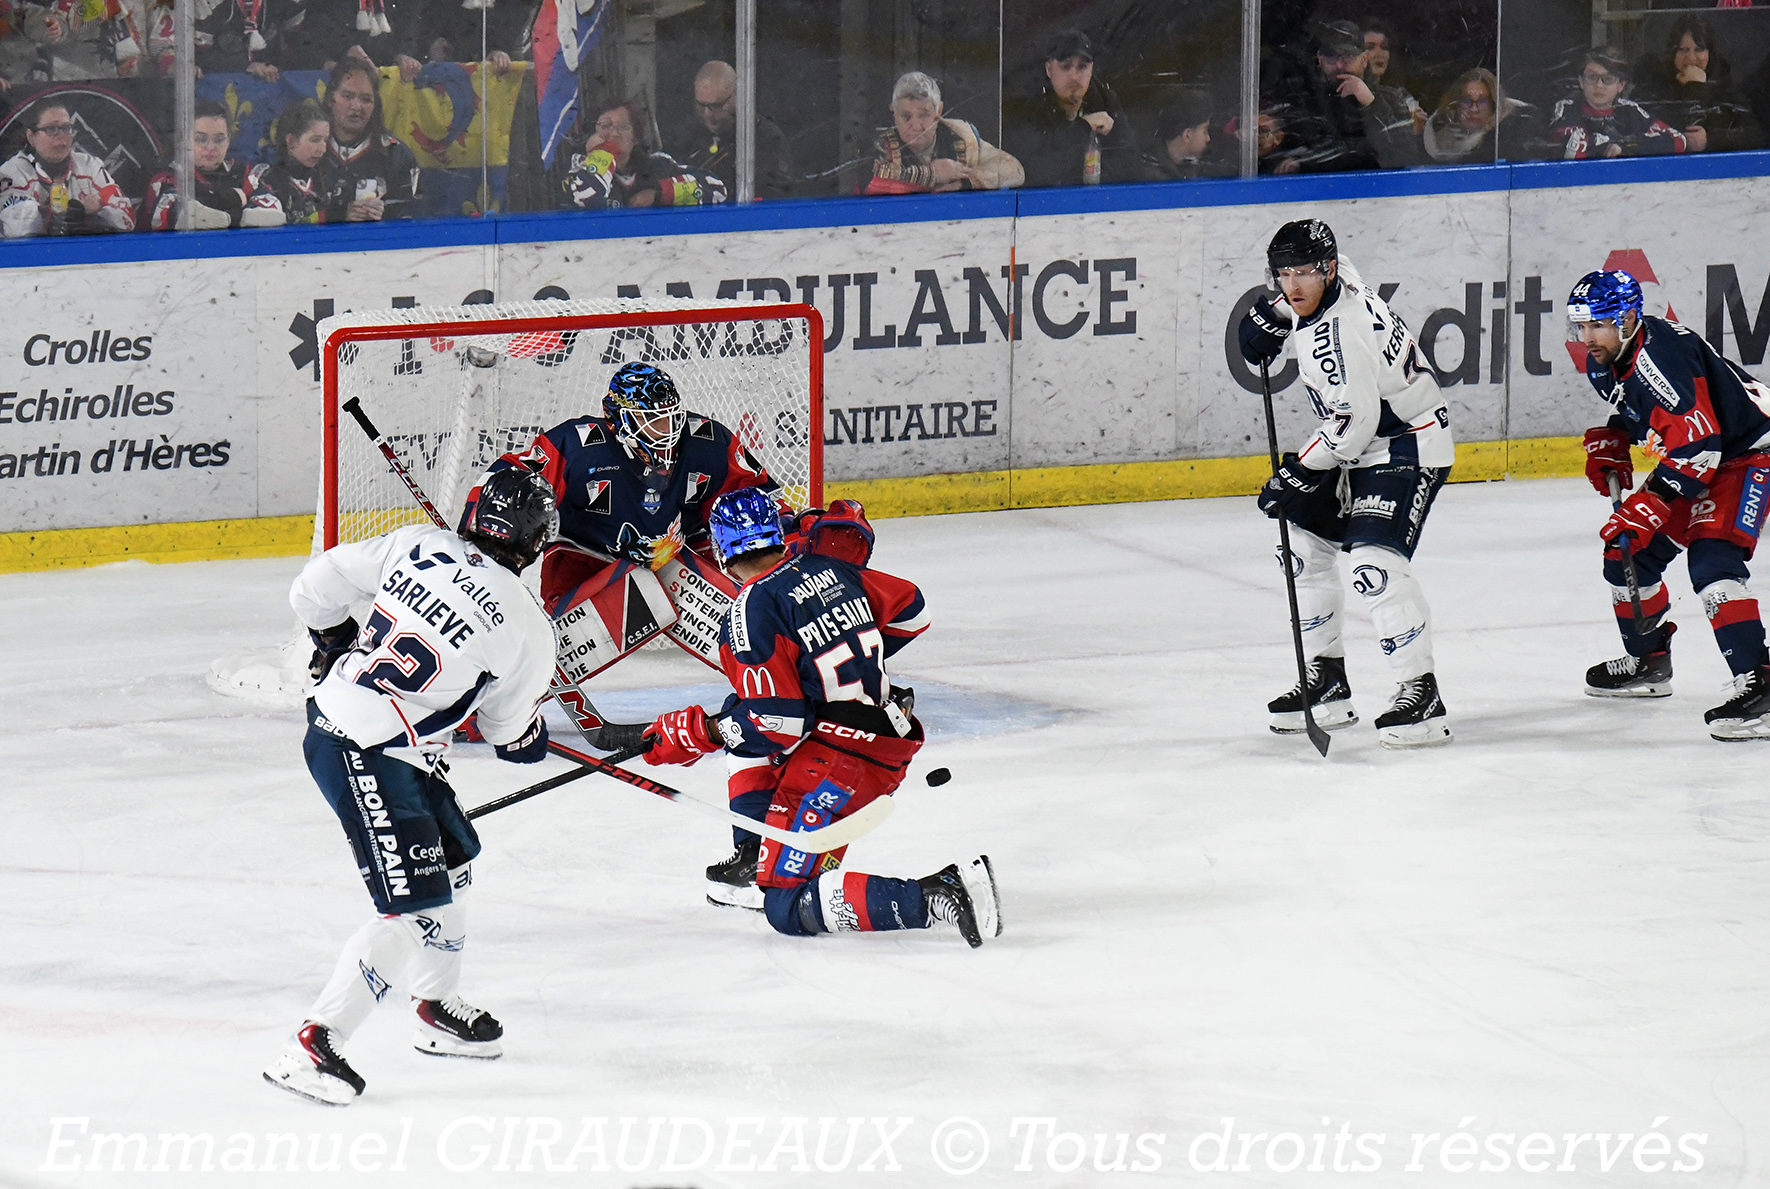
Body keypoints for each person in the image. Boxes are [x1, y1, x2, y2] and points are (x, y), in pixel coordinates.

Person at [263, 465, 558, 1105]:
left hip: (367, 730)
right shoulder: (531, 627)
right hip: (366, 748)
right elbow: (510, 735)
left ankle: (436, 1008)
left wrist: (334, 636)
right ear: (538, 540)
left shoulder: (416, 543)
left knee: (452, 871)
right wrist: (528, 738)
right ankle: (314, 1043)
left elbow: (314, 586)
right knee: (412, 906)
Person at [637, 487, 1001, 945]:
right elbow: (913, 611)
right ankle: (756, 856)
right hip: (880, 737)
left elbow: (777, 724)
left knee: (786, 907)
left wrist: (695, 733)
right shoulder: (831, 569)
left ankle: (937, 892)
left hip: (839, 763)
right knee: (739, 713)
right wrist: (846, 654)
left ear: (722, 551)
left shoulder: (751, 609)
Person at [1237, 218, 1455, 748]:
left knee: (1372, 565)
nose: (1294, 285)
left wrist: (1298, 470)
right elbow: (1297, 299)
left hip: (1405, 442)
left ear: (1329, 269)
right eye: (1283, 274)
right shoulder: (1338, 277)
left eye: (1305, 273)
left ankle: (1420, 693)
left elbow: (1352, 424)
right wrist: (1272, 314)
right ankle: (1328, 682)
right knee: (1301, 544)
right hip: (1360, 441)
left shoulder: (1338, 335)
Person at [1568, 270, 1770, 740]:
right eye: (1582, 325)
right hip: (1706, 455)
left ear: (1630, 317)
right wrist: (1617, 433)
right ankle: (1648, 662)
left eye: (1599, 324)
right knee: (1629, 555)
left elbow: (1703, 446)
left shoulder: (1659, 360)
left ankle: (1761, 685)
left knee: (1713, 561)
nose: (1588, 337)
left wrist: (1652, 501)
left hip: (1748, 453)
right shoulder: (1611, 357)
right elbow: (1651, 413)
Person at [1263, 19, 1417, 171]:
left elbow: (1405, 156)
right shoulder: (1301, 101)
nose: (1339, 65)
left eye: (1349, 56)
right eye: (1331, 56)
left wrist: (1372, 104)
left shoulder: (1391, 99)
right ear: (1320, 59)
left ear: (1364, 59)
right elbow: (1271, 152)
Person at [1001, 28, 1143, 188]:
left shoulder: (1105, 101)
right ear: (1049, 69)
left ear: (1091, 69)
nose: (1074, 76)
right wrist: (1083, 128)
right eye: (1066, 66)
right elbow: (1035, 171)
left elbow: (1132, 168)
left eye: (1082, 67)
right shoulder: (1027, 106)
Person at [864, 70, 1023, 194]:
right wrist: (934, 174)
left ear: (939, 110)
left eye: (924, 115)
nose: (915, 126)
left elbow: (1014, 170)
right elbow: (871, 183)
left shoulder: (961, 135)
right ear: (894, 112)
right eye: (906, 116)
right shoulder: (878, 144)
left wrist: (966, 181)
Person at [140, 98, 286, 230]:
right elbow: (182, 216)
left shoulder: (244, 174)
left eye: (219, 139)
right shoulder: (167, 178)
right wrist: (232, 202)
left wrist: (223, 214)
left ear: (228, 141)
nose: (210, 147)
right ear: (185, 141)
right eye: (200, 139)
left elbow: (272, 213)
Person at [562, 96, 726, 210]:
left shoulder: (658, 166)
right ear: (593, 133)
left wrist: (659, 193)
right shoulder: (575, 171)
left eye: (624, 127)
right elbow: (588, 197)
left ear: (636, 138)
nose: (614, 133)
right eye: (606, 126)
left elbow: (717, 190)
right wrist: (603, 152)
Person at [0, 98, 134, 237]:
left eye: (66, 128)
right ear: (31, 137)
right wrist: (79, 211)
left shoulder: (89, 166)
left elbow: (127, 219)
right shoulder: (13, 172)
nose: (61, 136)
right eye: (52, 129)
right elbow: (15, 226)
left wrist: (89, 213)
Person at [1634, 16, 1763, 154]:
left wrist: (1711, 140)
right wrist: (1694, 87)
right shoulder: (1656, 87)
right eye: (1683, 50)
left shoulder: (1724, 87)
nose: (1690, 58)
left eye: (1699, 49)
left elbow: (1754, 135)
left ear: (1710, 53)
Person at [675, 59, 794, 201]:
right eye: (701, 105)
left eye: (717, 105)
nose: (708, 114)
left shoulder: (766, 139)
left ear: (737, 95)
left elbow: (771, 196)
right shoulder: (690, 133)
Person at [323, 56, 420, 220]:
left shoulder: (397, 155)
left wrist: (385, 214)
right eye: (347, 96)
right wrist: (339, 215)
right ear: (330, 99)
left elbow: (414, 216)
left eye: (366, 99)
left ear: (375, 106)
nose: (356, 107)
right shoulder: (307, 151)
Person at [1547, 46, 1686, 159]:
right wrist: (1608, 148)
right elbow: (1571, 151)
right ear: (1581, 81)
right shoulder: (1567, 108)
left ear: (1621, 85)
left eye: (1608, 79)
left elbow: (1679, 141)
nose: (1599, 85)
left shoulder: (1630, 110)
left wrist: (1625, 146)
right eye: (1592, 77)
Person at [249, 99, 342, 223]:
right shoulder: (265, 180)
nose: (323, 149)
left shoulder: (330, 177)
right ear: (291, 140)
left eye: (325, 140)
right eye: (315, 140)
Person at [1421, 68, 1534, 165]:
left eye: (1482, 101)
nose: (1474, 109)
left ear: (1494, 105)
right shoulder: (1439, 142)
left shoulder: (1508, 142)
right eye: (1466, 101)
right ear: (1456, 105)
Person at [1361, 19, 1425, 138]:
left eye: (1384, 47)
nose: (1379, 54)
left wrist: (1419, 130)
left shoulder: (1401, 96)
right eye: (1370, 47)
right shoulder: (1353, 92)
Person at [1148, 92, 1233, 180]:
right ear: (1187, 135)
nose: (1208, 138)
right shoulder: (1152, 175)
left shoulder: (1193, 166)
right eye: (1205, 131)